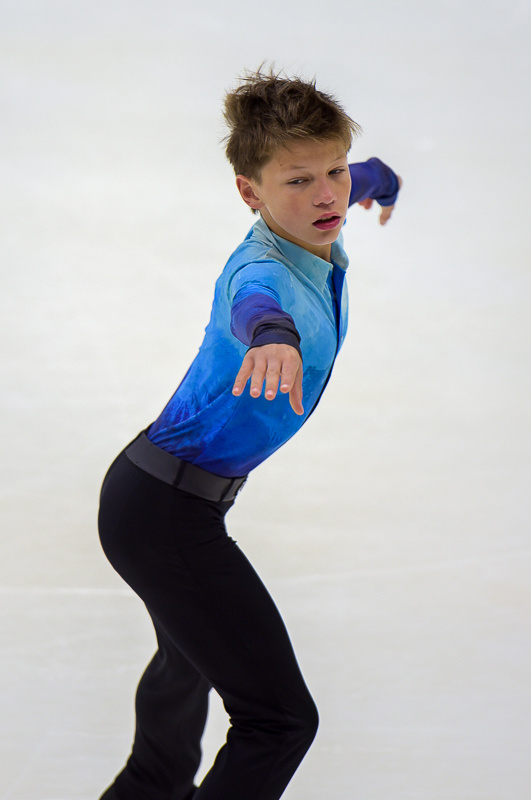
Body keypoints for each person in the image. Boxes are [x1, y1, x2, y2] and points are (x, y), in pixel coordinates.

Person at [97, 69, 401, 800]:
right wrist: (271, 336)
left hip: (167, 502)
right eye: (300, 181)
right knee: (279, 721)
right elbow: (255, 303)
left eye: (334, 172)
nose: (328, 195)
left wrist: (378, 179)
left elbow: (356, 171)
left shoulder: (320, 197)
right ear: (249, 193)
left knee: (186, 670)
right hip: (164, 515)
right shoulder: (259, 269)